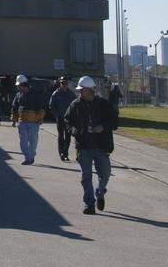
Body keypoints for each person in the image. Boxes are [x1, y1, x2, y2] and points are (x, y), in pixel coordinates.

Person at [65, 75, 119, 213]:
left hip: (101, 147)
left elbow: (114, 123)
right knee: (86, 176)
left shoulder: (104, 105)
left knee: (105, 174)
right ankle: (89, 204)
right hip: (83, 147)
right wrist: (75, 131)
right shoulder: (75, 105)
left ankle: (100, 193)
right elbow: (67, 121)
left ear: (90, 90)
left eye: (82, 90)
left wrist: (103, 127)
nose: (80, 92)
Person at [10, 74, 46, 165]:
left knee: (33, 140)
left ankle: (30, 157)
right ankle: (28, 158)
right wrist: (14, 119)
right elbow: (14, 107)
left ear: (24, 85)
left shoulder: (36, 94)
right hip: (22, 121)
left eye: (19, 86)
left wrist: (40, 118)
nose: (18, 87)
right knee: (23, 141)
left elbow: (41, 107)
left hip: (34, 122)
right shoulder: (18, 95)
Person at [48, 76, 76, 161]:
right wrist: (57, 115)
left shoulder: (71, 94)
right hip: (60, 118)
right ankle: (61, 153)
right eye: (62, 83)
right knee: (61, 136)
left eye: (65, 83)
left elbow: (75, 104)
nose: (64, 85)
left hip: (68, 119)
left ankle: (65, 153)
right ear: (60, 84)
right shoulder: (56, 93)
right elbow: (51, 106)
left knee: (68, 137)